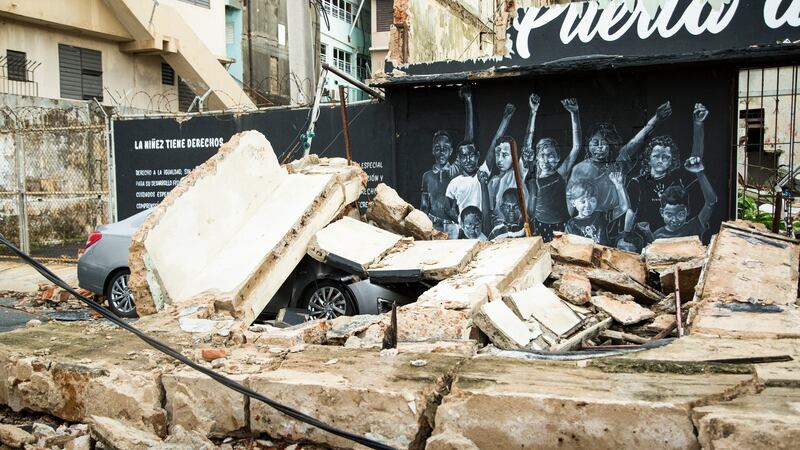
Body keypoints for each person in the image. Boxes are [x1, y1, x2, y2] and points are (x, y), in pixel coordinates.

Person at [568, 101, 672, 214]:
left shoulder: (619, 160)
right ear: (588, 144)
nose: (599, 147)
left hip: (617, 215)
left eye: (604, 143)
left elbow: (637, 140)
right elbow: (570, 198)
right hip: (591, 218)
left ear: (611, 144)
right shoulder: (579, 169)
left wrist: (656, 118)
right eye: (595, 143)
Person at [445, 86, 515, 238]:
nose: (468, 160)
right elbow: (447, 208)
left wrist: (506, 118)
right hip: (466, 231)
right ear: (459, 159)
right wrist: (461, 221)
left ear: (477, 156)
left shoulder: (482, 172)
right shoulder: (454, 183)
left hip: (484, 227)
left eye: (471, 155)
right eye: (464, 156)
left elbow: (494, 143)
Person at [627, 103, 708, 231]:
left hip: (673, 236)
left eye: (665, 157)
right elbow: (630, 212)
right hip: (645, 237)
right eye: (656, 156)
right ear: (648, 158)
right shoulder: (637, 182)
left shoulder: (678, 179)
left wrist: (698, 124)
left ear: (671, 161)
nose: (660, 160)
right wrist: (626, 234)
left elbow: (695, 159)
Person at [524, 96, 582, 242]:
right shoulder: (533, 175)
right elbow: (527, 146)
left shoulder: (561, 173)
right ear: (536, 157)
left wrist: (574, 114)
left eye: (550, 155)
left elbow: (576, 147)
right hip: (539, 225)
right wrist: (533, 112)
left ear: (558, 158)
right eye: (542, 155)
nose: (545, 160)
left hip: (561, 225)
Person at [652, 158, 717, 239]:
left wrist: (700, 173)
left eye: (680, 214)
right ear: (662, 212)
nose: (674, 220)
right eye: (669, 214)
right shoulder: (657, 235)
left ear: (687, 211)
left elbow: (711, 201)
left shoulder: (694, 227)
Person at [565, 171, 630, 246]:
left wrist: (619, 185)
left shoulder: (601, 215)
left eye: (592, 201)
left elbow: (624, 207)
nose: (588, 205)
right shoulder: (572, 224)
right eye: (583, 202)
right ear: (573, 203)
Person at [420, 130, 458, 234]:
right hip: (433, 226)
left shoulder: (455, 174)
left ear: (451, 151)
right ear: (433, 150)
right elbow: (424, 206)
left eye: (445, 148)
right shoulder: (427, 176)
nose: (441, 152)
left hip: (453, 226)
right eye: (437, 148)